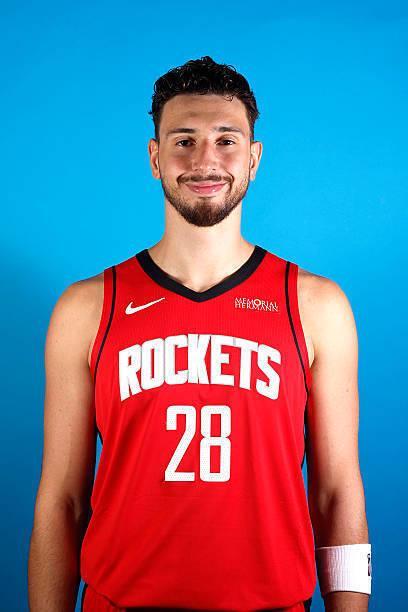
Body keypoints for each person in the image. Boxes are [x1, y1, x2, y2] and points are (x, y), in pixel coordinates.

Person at [28, 56, 371, 612]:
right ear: (154, 158)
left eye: (226, 140)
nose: (205, 160)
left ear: (253, 159)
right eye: (184, 141)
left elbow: (337, 494)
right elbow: (62, 503)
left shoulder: (315, 305)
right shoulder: (87, 308)